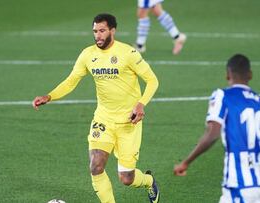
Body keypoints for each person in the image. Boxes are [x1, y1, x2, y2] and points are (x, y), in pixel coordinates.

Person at [33, 13, 160, 203]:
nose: (98, 35)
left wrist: (141, 104)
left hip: (129, 122)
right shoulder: (88, 55)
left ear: (112, 31)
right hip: (103, 119)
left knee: (127, 178)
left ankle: (149, 181)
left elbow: (152, 80)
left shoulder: (128, 53)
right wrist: (49, 96)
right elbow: (71, 80)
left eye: (102, 31)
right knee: (96, 167)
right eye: (95, 31)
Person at [174, 54, 260, 202]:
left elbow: (213, 134)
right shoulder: (257, 100)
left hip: (238, 183)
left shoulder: (222, 95)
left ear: (228, 75)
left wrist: (186, 162)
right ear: (250, 75)